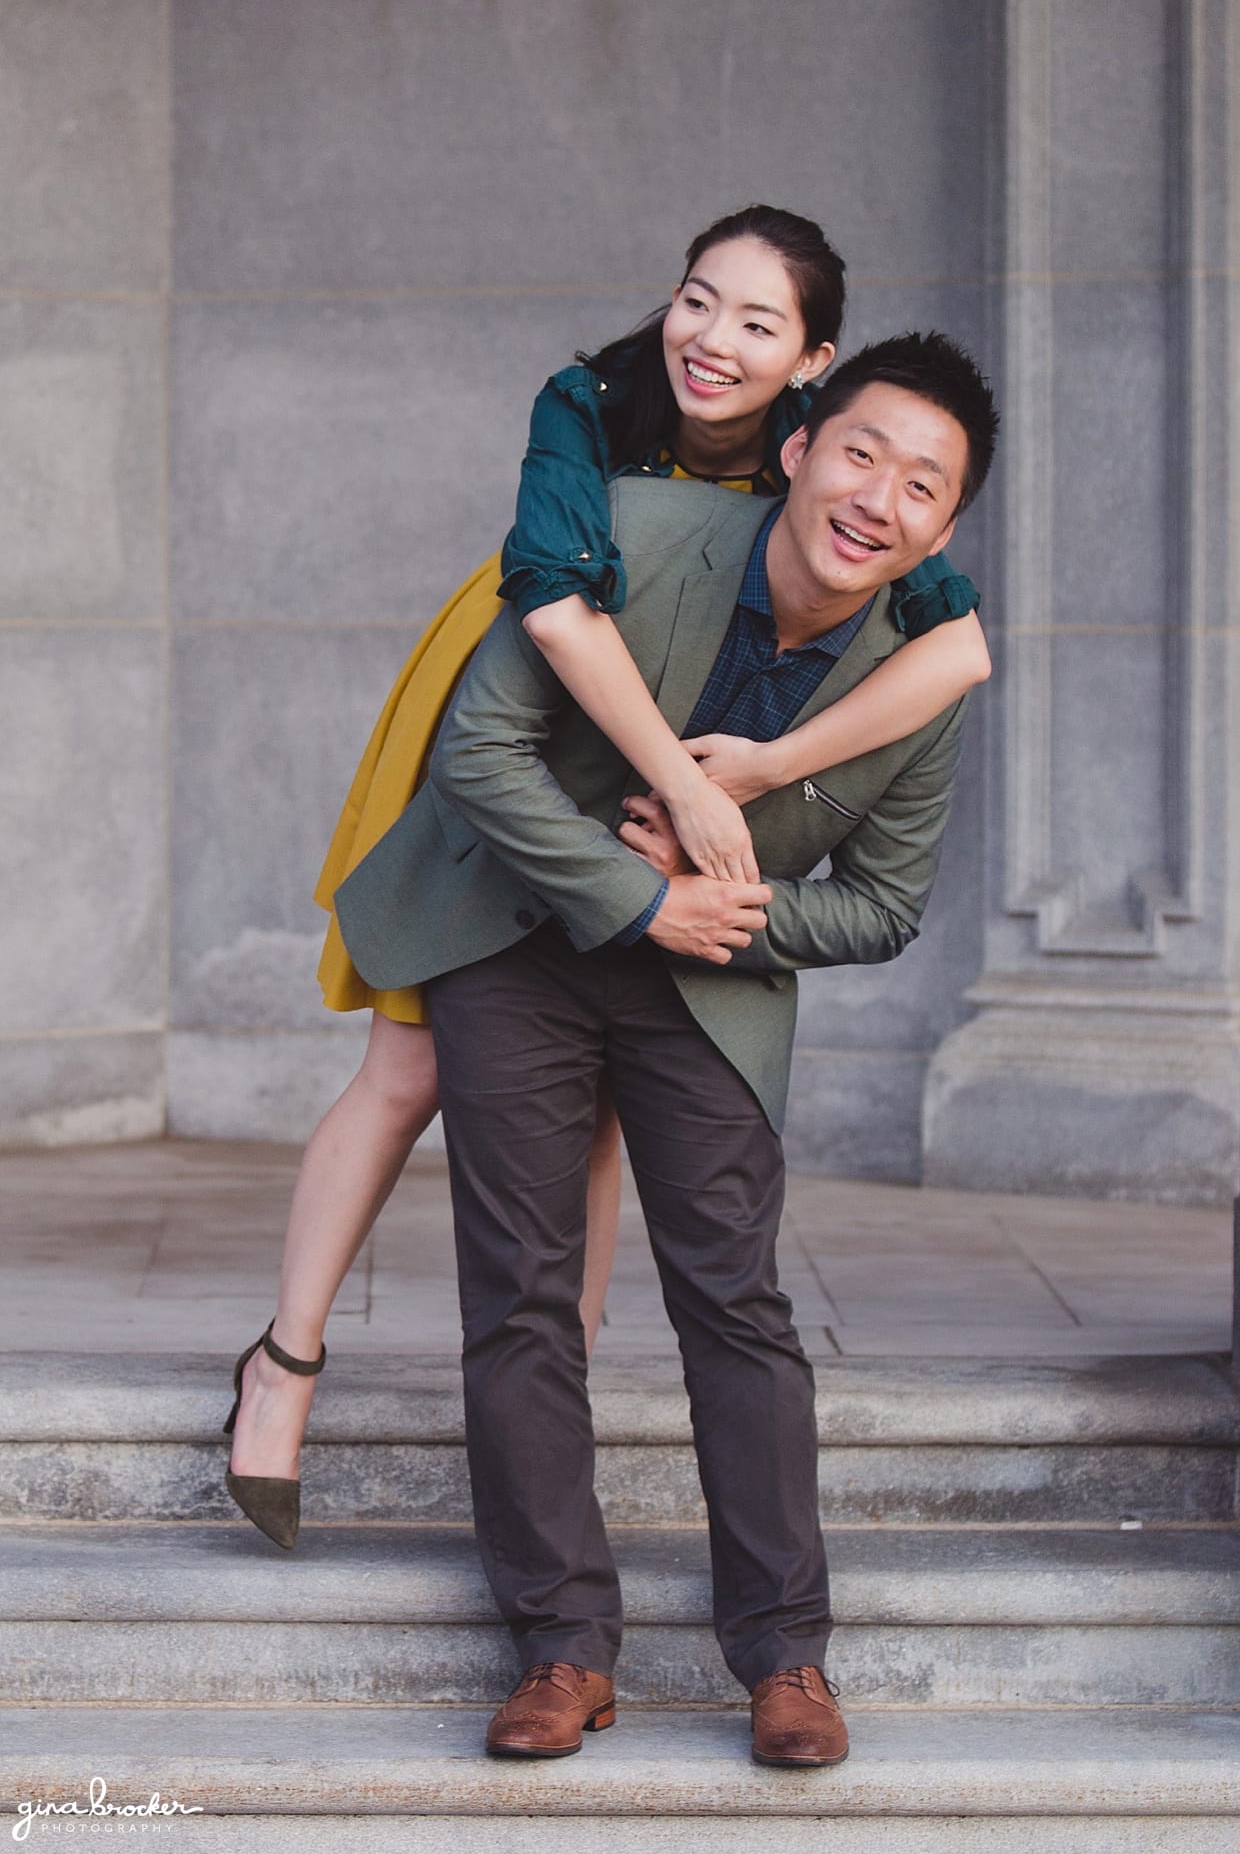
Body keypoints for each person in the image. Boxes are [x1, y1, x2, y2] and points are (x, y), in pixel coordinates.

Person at [223, 209, 990, 1549]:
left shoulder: (843, 461)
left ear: (814, 363)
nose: (714, 339)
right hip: (527, 693)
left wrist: (761, 770)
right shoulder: (587, 405)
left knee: (591, 1115)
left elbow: (958, 652)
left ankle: (546, 1414)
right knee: (405, 1068)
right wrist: (689, 791)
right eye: (699, 298)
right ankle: (283, 1362)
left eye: (760, 323)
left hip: (646, 790)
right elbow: (558, 612)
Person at [333, 330, 1000, 1766]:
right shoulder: (633, 532)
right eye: (863, 452)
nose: (879, 497)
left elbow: (882, 906)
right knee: (521, 1293)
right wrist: (641, 896)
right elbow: (479, 750)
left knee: (736, 1303)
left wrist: (715, 917)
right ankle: (562, 1647)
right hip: (523, 941)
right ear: (801, 446)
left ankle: (787, 1655)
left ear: (945, 532)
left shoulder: (916, 680)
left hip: (711, 987)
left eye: (924, 485)